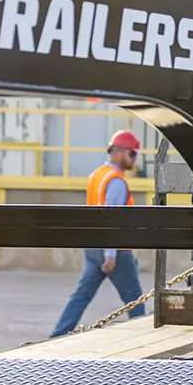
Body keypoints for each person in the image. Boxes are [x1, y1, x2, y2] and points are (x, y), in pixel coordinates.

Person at [50, 130, 147, 337]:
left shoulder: (97, 175)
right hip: (114, 251)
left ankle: (57, 335)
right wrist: (110, 255)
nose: (134, 160)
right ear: (120, 152)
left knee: (81, 296)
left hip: (93, 247)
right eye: (132, 154)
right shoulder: (116, 181)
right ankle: (144, 338)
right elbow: (111, 220)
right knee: (134, 298)